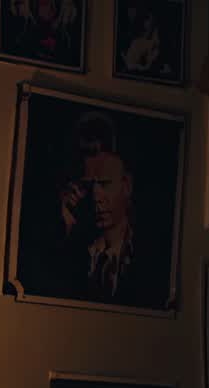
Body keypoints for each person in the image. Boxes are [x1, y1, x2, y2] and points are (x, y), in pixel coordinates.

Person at [57, 111, 152, 305]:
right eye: (87, 186)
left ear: (127, 185)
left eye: (105, 184)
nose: (96, 197)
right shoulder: (74, 251)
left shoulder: (150, 254)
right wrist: (65, 225)